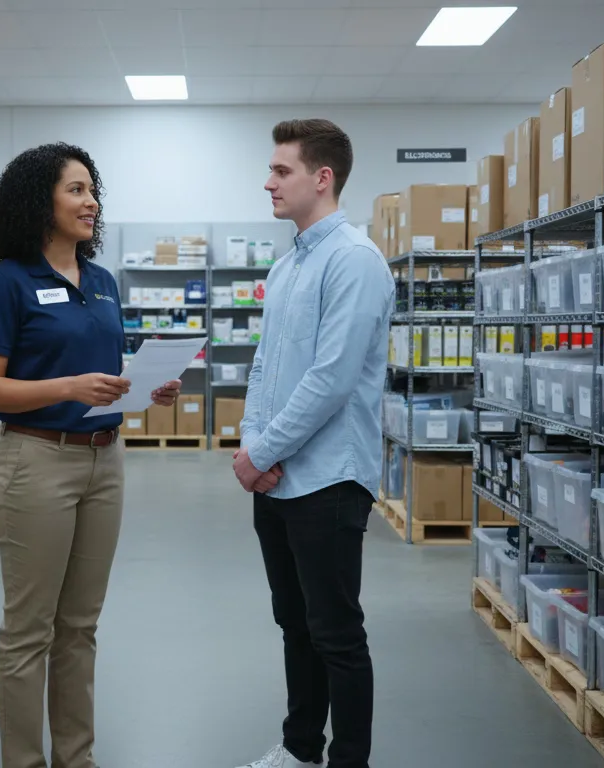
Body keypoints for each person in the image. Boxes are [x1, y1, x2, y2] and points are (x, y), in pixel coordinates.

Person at [0, 142, 181, 768]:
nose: (91, 203)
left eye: (93, 192)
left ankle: (76, 759)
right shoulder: (6, 283)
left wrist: (145, 388)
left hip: (104, 460)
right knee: (29, 631)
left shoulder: (105, 282)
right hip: (36, 462)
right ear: (40, 201)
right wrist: (67, 388)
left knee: (80, 627)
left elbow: (104, 368)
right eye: (76, 190)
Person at [233, 119, 393, 768]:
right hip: (278, 480)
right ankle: (301, 748)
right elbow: (267, 367)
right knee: (295, 626)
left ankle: (347, 760)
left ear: (321, 178)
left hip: (327, 479)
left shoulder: (353, 260)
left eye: (281, 171)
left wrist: (263, 453)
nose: (268, 181)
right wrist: (253, 445)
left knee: (336, 635)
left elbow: (331, 380)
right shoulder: (290, 263)